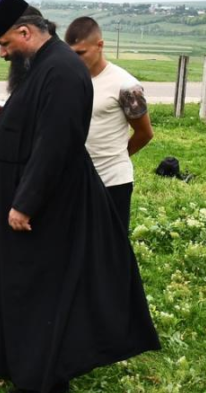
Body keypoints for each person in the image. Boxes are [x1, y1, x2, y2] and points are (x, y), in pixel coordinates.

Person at [0, 0, 160, 393]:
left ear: (25, 32)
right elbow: (39, 118)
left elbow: (57, 143)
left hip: (41, 203)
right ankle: (16, 360)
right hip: (22, 190)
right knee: (19, 280)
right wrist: (8, 115)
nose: (2, 53)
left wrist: (25, 202)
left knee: (38, 285)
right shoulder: (44, 65)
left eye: (5, 43)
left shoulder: (60, 70)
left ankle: (43, 378)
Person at [65, 17, 153, 232]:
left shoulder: (126, 86)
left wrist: (116, 158)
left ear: (100, 45)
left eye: (81, 53)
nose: (76, 59)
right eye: (71, 54)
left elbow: (144, 133)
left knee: (111, 249)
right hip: (74, 181)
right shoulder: (69, 79)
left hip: (112, 182)